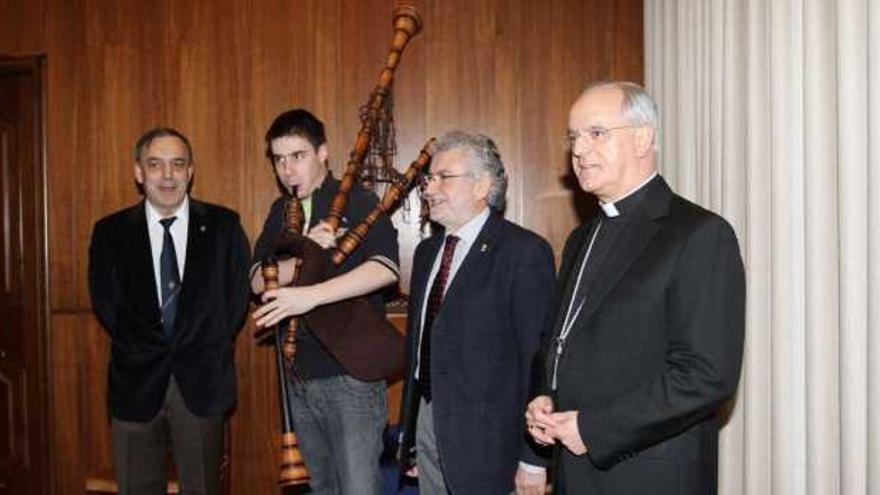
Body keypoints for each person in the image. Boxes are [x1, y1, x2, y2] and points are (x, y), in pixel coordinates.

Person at [525, 81, 746, 494]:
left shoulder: (699, 234)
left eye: (596, 134)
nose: (579, 150)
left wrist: (593, 427)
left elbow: (706, 375)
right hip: (576, 470)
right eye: (574, 137)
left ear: (643, 138)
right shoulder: (581, 238)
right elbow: (563, 340)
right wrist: (546, 394)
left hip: (648, 473)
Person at [88, 127, 251, 494]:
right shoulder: (110, 233)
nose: (167, 175)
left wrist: (204, 342)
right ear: (138, 172)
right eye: (155, 164)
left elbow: (236, 298)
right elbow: (106, 303)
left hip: (202, 384)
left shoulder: (224, 226)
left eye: (177, 164)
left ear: (190, 172)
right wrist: (143, 343)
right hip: (134, 383)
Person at [250, 109, 400, 495]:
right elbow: (255, 280)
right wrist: (305, 253)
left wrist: (309, 296)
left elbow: (385, 269)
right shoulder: (280, 212)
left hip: (350, 376)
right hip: (299, 374)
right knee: (321, 489)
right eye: (278, 159)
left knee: (357, 489)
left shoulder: (357, 199)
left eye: (297, 156)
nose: (287, 169)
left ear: (323, 153)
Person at [397, 131, 556, 494]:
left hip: (491, 442)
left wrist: (532, 458)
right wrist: (413, 430)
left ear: (482, 185)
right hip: (428, 422)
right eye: (428, 178)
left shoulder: (522, 252)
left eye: (443, 177)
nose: (428, 188)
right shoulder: (426, 253)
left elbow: (538, 361)